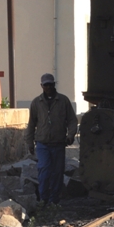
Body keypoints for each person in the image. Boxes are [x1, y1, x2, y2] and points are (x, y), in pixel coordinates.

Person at [24, 73, 78, 205]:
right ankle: (43, 198)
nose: (48, 87)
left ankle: (54, 199)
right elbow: (31, 124)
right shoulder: (36, 103)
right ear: (41, 86)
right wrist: (29, 142)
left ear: (54, 84)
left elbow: (72, 120)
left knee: (57, 173)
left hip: (59, 143)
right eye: (46, 85)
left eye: (50, 84)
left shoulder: (63, 101)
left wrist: (70, 135)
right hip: (42, 144)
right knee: (44, 169)